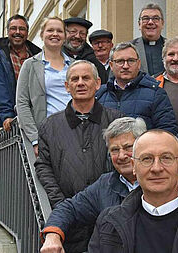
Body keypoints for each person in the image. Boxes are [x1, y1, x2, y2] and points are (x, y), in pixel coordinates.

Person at [39, 117, 178, 253]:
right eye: (114, 150)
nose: (122, 155)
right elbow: (71, 208)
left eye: (128, 147)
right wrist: (53, 234)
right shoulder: (105, 184)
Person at [35, 60, 122, 253]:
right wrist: (60, 203)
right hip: (69, 220)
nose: (80, 83)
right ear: (67, 86)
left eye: (86, 78)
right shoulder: (50, 126)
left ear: (97, 83)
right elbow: (44, 166)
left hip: (110, 216)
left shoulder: (116, 120)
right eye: (75, 79)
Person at [17, 17, 73, 157]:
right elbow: (22, 103)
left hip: (75, 130)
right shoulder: (30, 65)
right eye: (50, 30)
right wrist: (35, 139)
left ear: (65, 36)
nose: (55, 34)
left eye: (59, 31)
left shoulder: (74, 65)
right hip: (47, 133)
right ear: (42, 35)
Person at [96, 42, 178, 134]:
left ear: (138, 64)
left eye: (131, 61)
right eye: (120, 61)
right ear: (111, 65)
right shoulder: (99, 95)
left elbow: (167, 131)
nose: (126, 66)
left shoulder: (156, 93)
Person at [0, 14, 41, 131]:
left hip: (34, 117)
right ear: (7, 31)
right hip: (10, 120)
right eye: (13, 28)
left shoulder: (37, 55)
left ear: (27, 32)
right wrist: (7, 115)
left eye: (22, 29)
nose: (17, 32)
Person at [63, 17, 108, 84]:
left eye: (82, 33)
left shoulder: (95, 63)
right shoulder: (55, 57)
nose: (77, 36)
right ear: (64, 33)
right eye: (73, 32)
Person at [131, 3, 165, 75]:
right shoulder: (129, 48)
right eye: (145, 18)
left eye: (155, 18)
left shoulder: (173, 47)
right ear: (139, 24)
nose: (150, 22)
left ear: (162, 23)